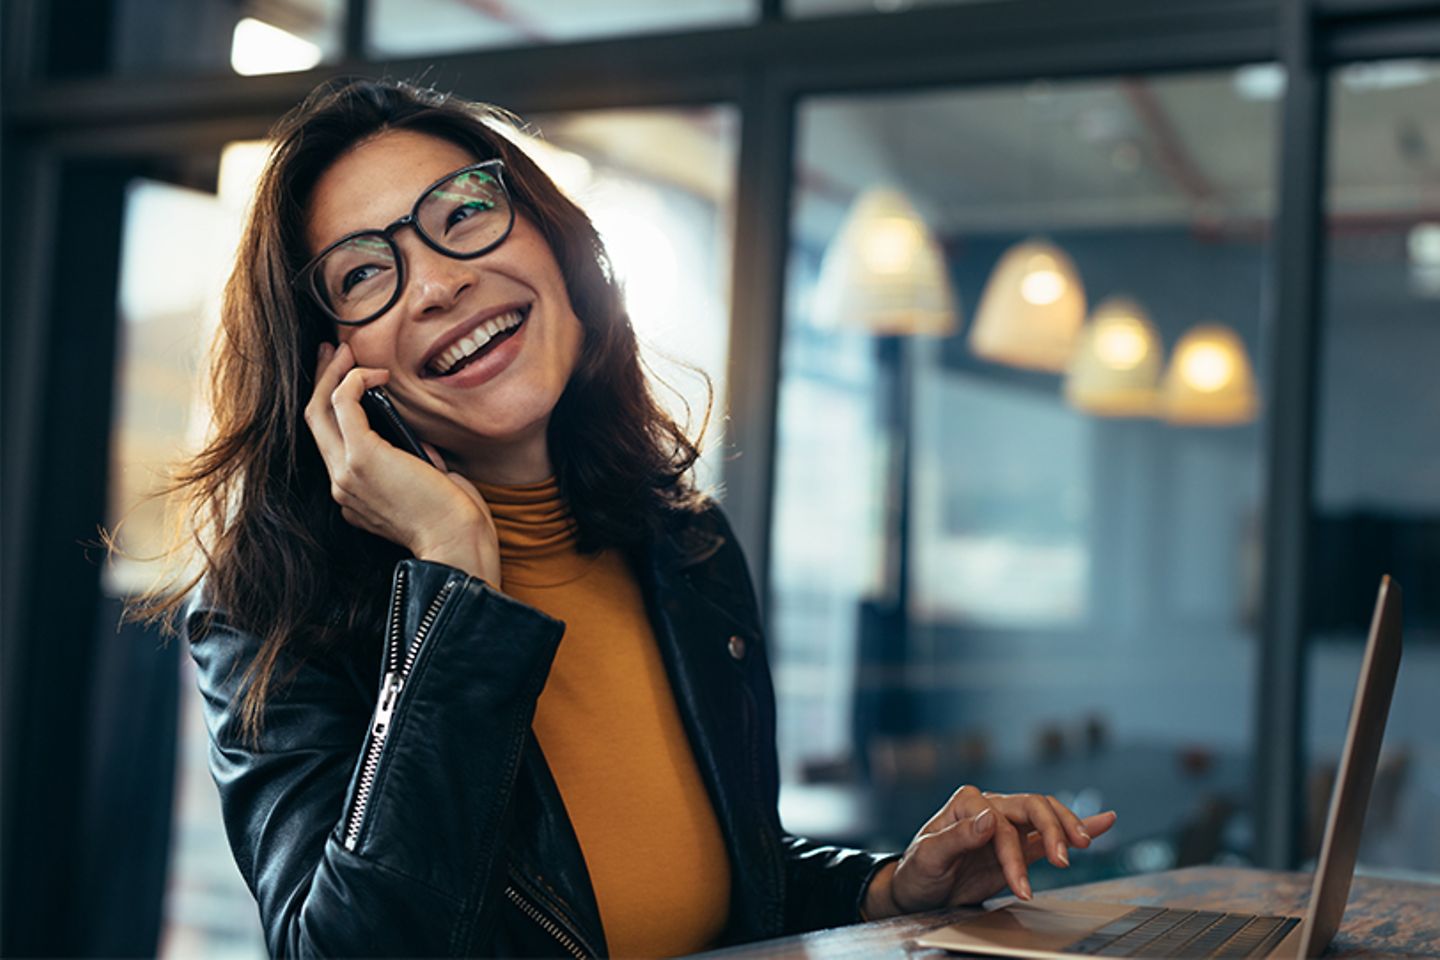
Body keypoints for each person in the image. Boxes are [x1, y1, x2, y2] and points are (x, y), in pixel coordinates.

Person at [162, 77, 1116, 958]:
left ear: (558, 246)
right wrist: (451, 572)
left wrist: (891, 886)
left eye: (465, 215)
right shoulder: (267, 607)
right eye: (364, 274)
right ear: (329, 365)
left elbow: (720, 875)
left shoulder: (682, 543)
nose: (441, 282)